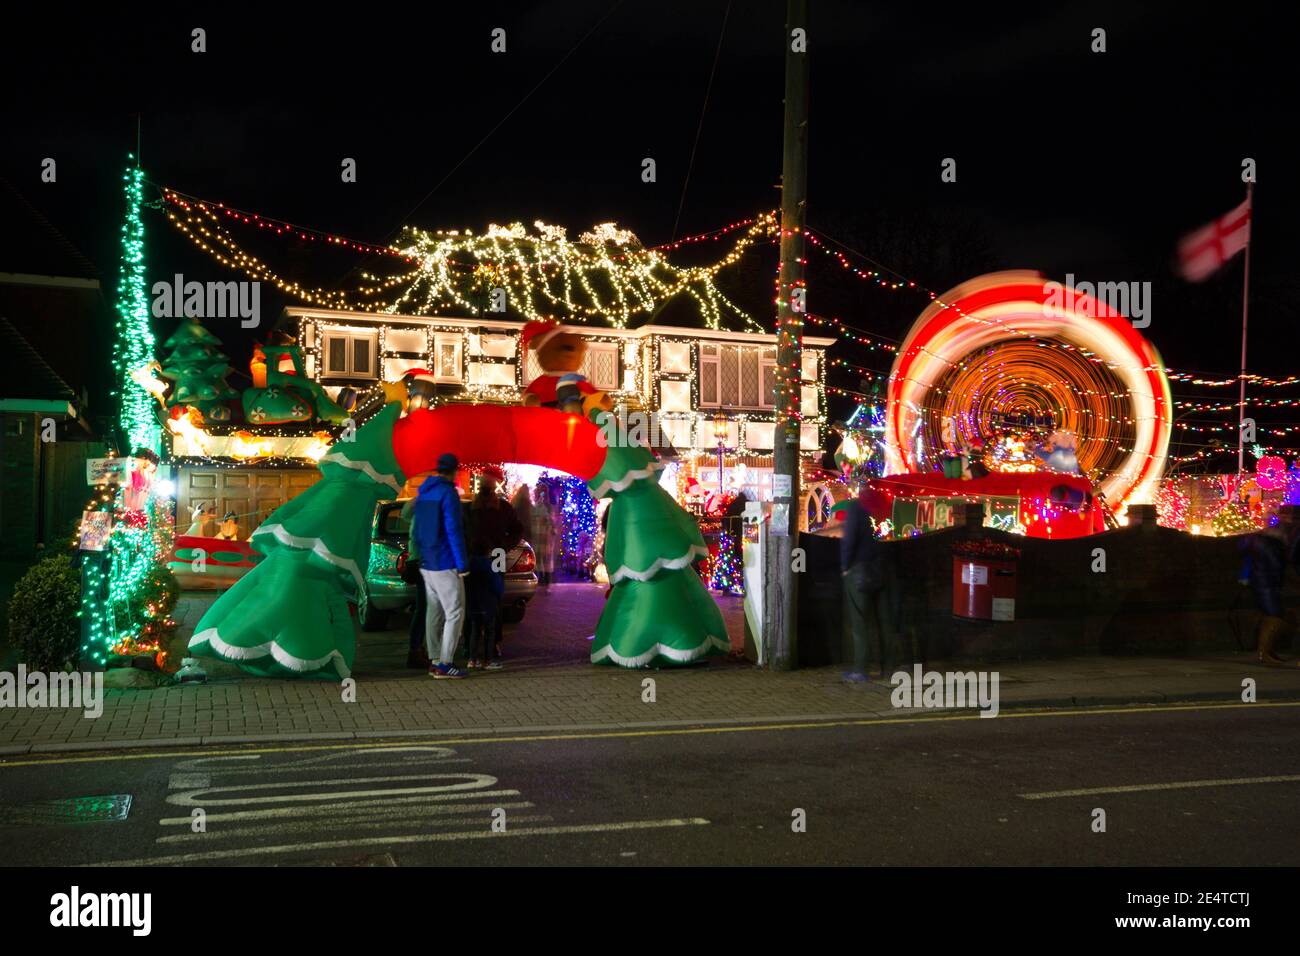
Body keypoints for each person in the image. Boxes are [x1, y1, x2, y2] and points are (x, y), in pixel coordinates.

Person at [412, 453, 470, 679]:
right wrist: (462, 563)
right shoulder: (448, 494)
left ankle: (435, 659)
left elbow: (417, 529)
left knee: (434, 611)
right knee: (455, 612)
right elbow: (453, 530)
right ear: (454, 471)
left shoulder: (424, 492)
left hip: (427, 561)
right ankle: (445, 663)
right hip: (445, 561)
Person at [467, 466, 523, 664]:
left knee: (489, 602)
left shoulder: (502, 509)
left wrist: (504, 546)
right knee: (485, 601)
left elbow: (517, 530)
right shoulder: (472, 509)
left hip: (490, 556)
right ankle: (478, 648)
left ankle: (484, 647)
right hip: (481, 556)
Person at [839, 496, 898, 683]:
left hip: (860, 570)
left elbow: (850, 538)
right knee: (884, 622)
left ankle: (861, 669)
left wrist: (845, 566)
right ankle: (889, 668)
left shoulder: (857, 506)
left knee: (859, 622)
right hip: (882, 569)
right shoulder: (884, 503)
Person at [1241, 521, 1294, 666]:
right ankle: (1262, 653)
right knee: (1274, 615)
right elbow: (1274, 563)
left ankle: (1266, 650)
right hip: (1265, 581)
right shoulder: (1268, 542)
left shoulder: (1263, 540)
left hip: (1263, 580)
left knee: (1270, 614)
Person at [401, 497, 429, 670]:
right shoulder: (423, 520)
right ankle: (416, 650)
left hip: (420, 564)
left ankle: (419, 649)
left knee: (424, 609)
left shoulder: (417, 517)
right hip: (425, 565)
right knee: (424, 609)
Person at [531, 485, 557, 585]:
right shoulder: (538, 505)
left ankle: (545, 579)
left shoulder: (546, 506)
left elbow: (551, 521)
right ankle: (542, 578)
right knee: (540, 558)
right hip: (539, 535)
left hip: (545, 536)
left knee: (544, 558)